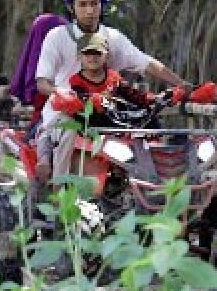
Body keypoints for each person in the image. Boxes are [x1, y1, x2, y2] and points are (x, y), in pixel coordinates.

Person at [36, 0, 189, 99]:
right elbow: (42, 83)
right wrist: (63, 93)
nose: (89, 11)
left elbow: (146, 63)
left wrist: (181, 84)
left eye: (94, 3)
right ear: (71, 7)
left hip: (108, 114)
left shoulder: (113, 37)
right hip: (65, 115)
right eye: (82, 5)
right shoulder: (57, 37)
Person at [35, 32, 156, 183]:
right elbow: (79, 98)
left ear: (105, 56)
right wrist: (91, 100)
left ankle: (151, 182)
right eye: (88, 53)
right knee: (65, 134)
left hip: (111, 124)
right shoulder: (75, 80)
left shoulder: (113, 77)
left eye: (97, 53)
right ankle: (58, 185)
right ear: (79, 56)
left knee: (147, 130)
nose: (92, 58)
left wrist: (154, 99)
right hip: (86, 125)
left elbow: (131, 94)